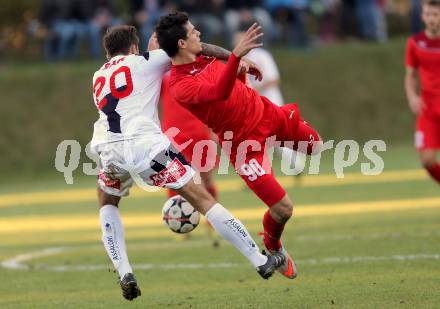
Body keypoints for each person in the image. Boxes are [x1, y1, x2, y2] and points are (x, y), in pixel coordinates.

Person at [90, 25, 285, 301]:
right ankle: (259, 260)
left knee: (107, 203)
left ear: (108, 51)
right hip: (147, 145)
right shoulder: (147, 60)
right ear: (134, 48)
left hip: (108, 149)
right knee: (203, 199)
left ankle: (124, 272)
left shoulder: (98, 75)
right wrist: (236, 58)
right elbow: (196, 48)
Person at [156, 12, 321, 280]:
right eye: (193, 31)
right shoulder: (180, 84)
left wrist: (239, 60)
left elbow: (210, 49)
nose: (199, 33)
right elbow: (218, 93)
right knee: (284, 209)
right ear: (182, 44)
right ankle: (272, 244)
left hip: (268, 114)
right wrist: (235, 56)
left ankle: (280, 142)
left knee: (316, 146)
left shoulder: (202, 53)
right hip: (243, 144)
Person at [233, 24, 306, 176]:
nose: (237, 41)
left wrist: (253, 90)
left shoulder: (261, 55)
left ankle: (288, 167)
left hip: (270, 101)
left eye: (240, 37)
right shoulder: (237, 60)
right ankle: (261, 172)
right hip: (253, 105)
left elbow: (274, 79)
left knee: (272, 138)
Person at [160, 73, 221, 246]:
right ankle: (179, 221)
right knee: (176, 178)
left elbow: (212, 100)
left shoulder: (199, 72)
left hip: (198, 130)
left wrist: (214, 128)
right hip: (174, 132)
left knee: (206, 179)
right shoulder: (162, 72)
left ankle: (213, 222)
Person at [405, 0, 440, 185]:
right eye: (428, 14)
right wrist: (412, 96)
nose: (432, 19)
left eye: (435, 14)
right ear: (422, 16)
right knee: (427, 161)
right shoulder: (415, 43)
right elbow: (410, 75)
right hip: (428, 109)